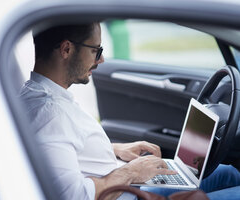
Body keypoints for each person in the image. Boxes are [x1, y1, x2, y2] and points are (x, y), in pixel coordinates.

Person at [19, 22, 240, 200]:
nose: (102, 59)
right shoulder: (52, 114)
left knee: (228, 172)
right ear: (66, 49)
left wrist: (114, 150)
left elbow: (63, 151)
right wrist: (132, 171)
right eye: (96, 50)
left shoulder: (35, 95)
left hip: (122, 183)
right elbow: (73, 196)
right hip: (125, 192)